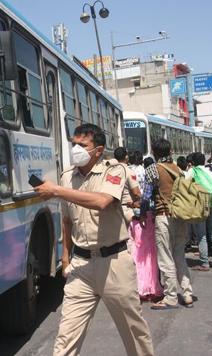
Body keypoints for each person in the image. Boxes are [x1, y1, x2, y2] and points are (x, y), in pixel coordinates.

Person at [35, 124, 154, 356]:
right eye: (74, 144)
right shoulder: (67, 176)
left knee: (133, 330)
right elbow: (68, 221)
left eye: (83, 145)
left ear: (98, 150)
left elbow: (102, 201)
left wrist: (57, 191)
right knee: (66, 336)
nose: (76, 149)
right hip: (81, 265)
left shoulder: (115, 170)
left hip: (114, 263)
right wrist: (66, 257)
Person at [141, 138, 194, 309]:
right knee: (179, 255)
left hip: (163, 216)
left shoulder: (153, 169)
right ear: (170, 151)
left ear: (154, 152)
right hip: (180, 216)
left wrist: (142, 214)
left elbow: (146, 197)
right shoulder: (178, 169)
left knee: (165, 258)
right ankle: (187, 294)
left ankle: (170, 296)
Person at [124, 150, 163, 301]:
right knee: (150, 254)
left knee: (137, 251)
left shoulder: (127, 171)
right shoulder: (146, 171)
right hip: (149, 214)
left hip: (135, 214)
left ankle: (138, 287)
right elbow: (147, 195)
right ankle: (153, 287)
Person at [186, 152, 212, 271]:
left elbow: (185, 185)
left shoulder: (193, 172)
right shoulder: (211, 173)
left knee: (202, 234)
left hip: (200, 205)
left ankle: (204, 262)